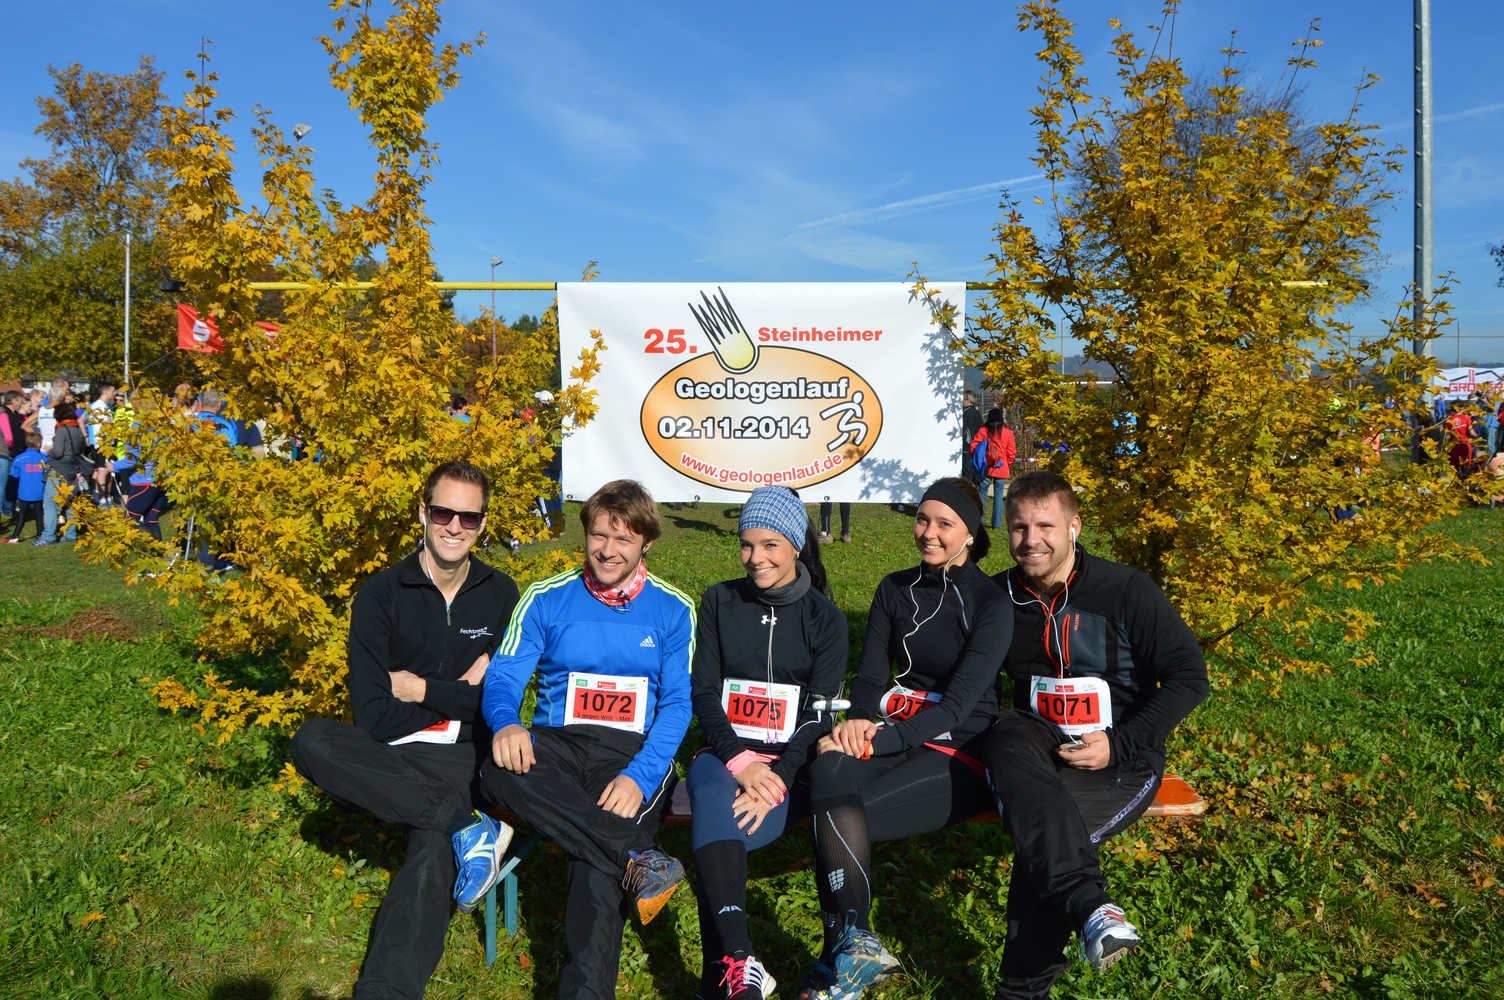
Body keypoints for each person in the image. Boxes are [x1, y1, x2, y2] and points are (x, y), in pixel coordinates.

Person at [290, 460, 520, 1000]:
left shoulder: (501, 594)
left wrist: (419, 689)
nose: (455, 526)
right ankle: (468, 826)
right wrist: (459, 694)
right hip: (387, 750)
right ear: (423, 513)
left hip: (457, 753)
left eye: (469, 517)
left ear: (483, 524)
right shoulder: (381, 594)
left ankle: (386, 991)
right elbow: (372, 714)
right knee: (311, 740)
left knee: (431, 846)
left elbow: (496, 702)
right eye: (443, 513)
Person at [983, 471, 1209, 997]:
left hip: (1120, 753)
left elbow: (1189, 678)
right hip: (1032, 743)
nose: (1031, 540)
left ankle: (1021, 990)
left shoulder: (1126, 590)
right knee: (1005, 734)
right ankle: (1093, 907)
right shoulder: (997, 596)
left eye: (1045, 526)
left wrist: (1120, 743)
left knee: (1047, 846)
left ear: (1074, 527)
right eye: (1019, 527)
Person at [478, 480, 695, 1000]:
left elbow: (677, 705)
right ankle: (636, 856)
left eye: (624, 539)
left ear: (646, 543)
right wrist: (506, 722)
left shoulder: (674, 608)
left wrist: (640, 776)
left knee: (593, 864)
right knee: (497, 766)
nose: (608, 550)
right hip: (556, 743)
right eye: (599, 535)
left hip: (629, 753)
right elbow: (504, 677)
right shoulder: (545, 597)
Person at [801, 476, 1013, 1000]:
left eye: (945, 524)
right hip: (895, 732)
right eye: (922, 519)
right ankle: (856, 946)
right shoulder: (894, 588)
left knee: (838, 821)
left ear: (970, 534)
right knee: (827, 767)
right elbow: (872, 677)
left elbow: (957, 707)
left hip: (959, 748)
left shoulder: (990, 602)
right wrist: (857, 722)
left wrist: (876, 742)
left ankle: (839, 960)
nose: (929, 533)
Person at [687, 486, 847, 1000]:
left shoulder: (827, 619)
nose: (756, 558)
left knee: (720, 838)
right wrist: (739, 760)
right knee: (710, 792)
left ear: (796, 545)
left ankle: (722, 978)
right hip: (724, 754)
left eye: (770, 545)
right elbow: (704, 691)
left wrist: (776, 776)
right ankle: (740, 959)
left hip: (788, 765)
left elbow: (820, 714)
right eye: (746, 545)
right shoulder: (719, 599)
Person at [42, 400, 91, 545]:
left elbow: (58, 453)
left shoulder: (62, 430)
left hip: (59, 469)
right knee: (71, 503)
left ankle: (48, 536)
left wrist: (48, 449)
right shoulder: (77, 430)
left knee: (50, 503)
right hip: (73, 469)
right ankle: (71, 534)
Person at [969, 407, 1017, 530]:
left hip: (986, 467)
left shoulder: (983, 430)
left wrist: (980, 460)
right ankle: (996, 524)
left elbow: (973, 447)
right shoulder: (1008, 433)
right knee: (998, 497)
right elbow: (1011, 453)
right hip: (1001, 467)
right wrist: (1006, 463)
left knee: (981, 494)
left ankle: (980, 521)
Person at [7, 432, 47, 543]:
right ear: (39, 444)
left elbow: (14, 474)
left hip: (24, 491)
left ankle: (15, 536)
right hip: (39, 491)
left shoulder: (19, 458)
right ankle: (39, 535)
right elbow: (48, 474)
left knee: (22, 513)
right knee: (39, 513)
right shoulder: (44, 458)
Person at [1, 390, 27, 523]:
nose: (22, 402)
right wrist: (10, 448)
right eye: (20, 399)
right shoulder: (5, 414)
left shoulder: (16, 414)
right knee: (8, 482)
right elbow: (8, 437)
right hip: (9, 453)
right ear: (14, 400)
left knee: (14, 481)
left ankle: (10, 507)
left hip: (17, 451)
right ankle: (8, 509)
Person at [960, 390, 984, 483]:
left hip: (967, 445)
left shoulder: (966, 413)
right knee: (975, 472)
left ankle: (968, 489)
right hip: (977, 445)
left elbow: (963, 429)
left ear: (968, 400)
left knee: (967, 473)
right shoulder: (978, 413)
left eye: (963, 399)